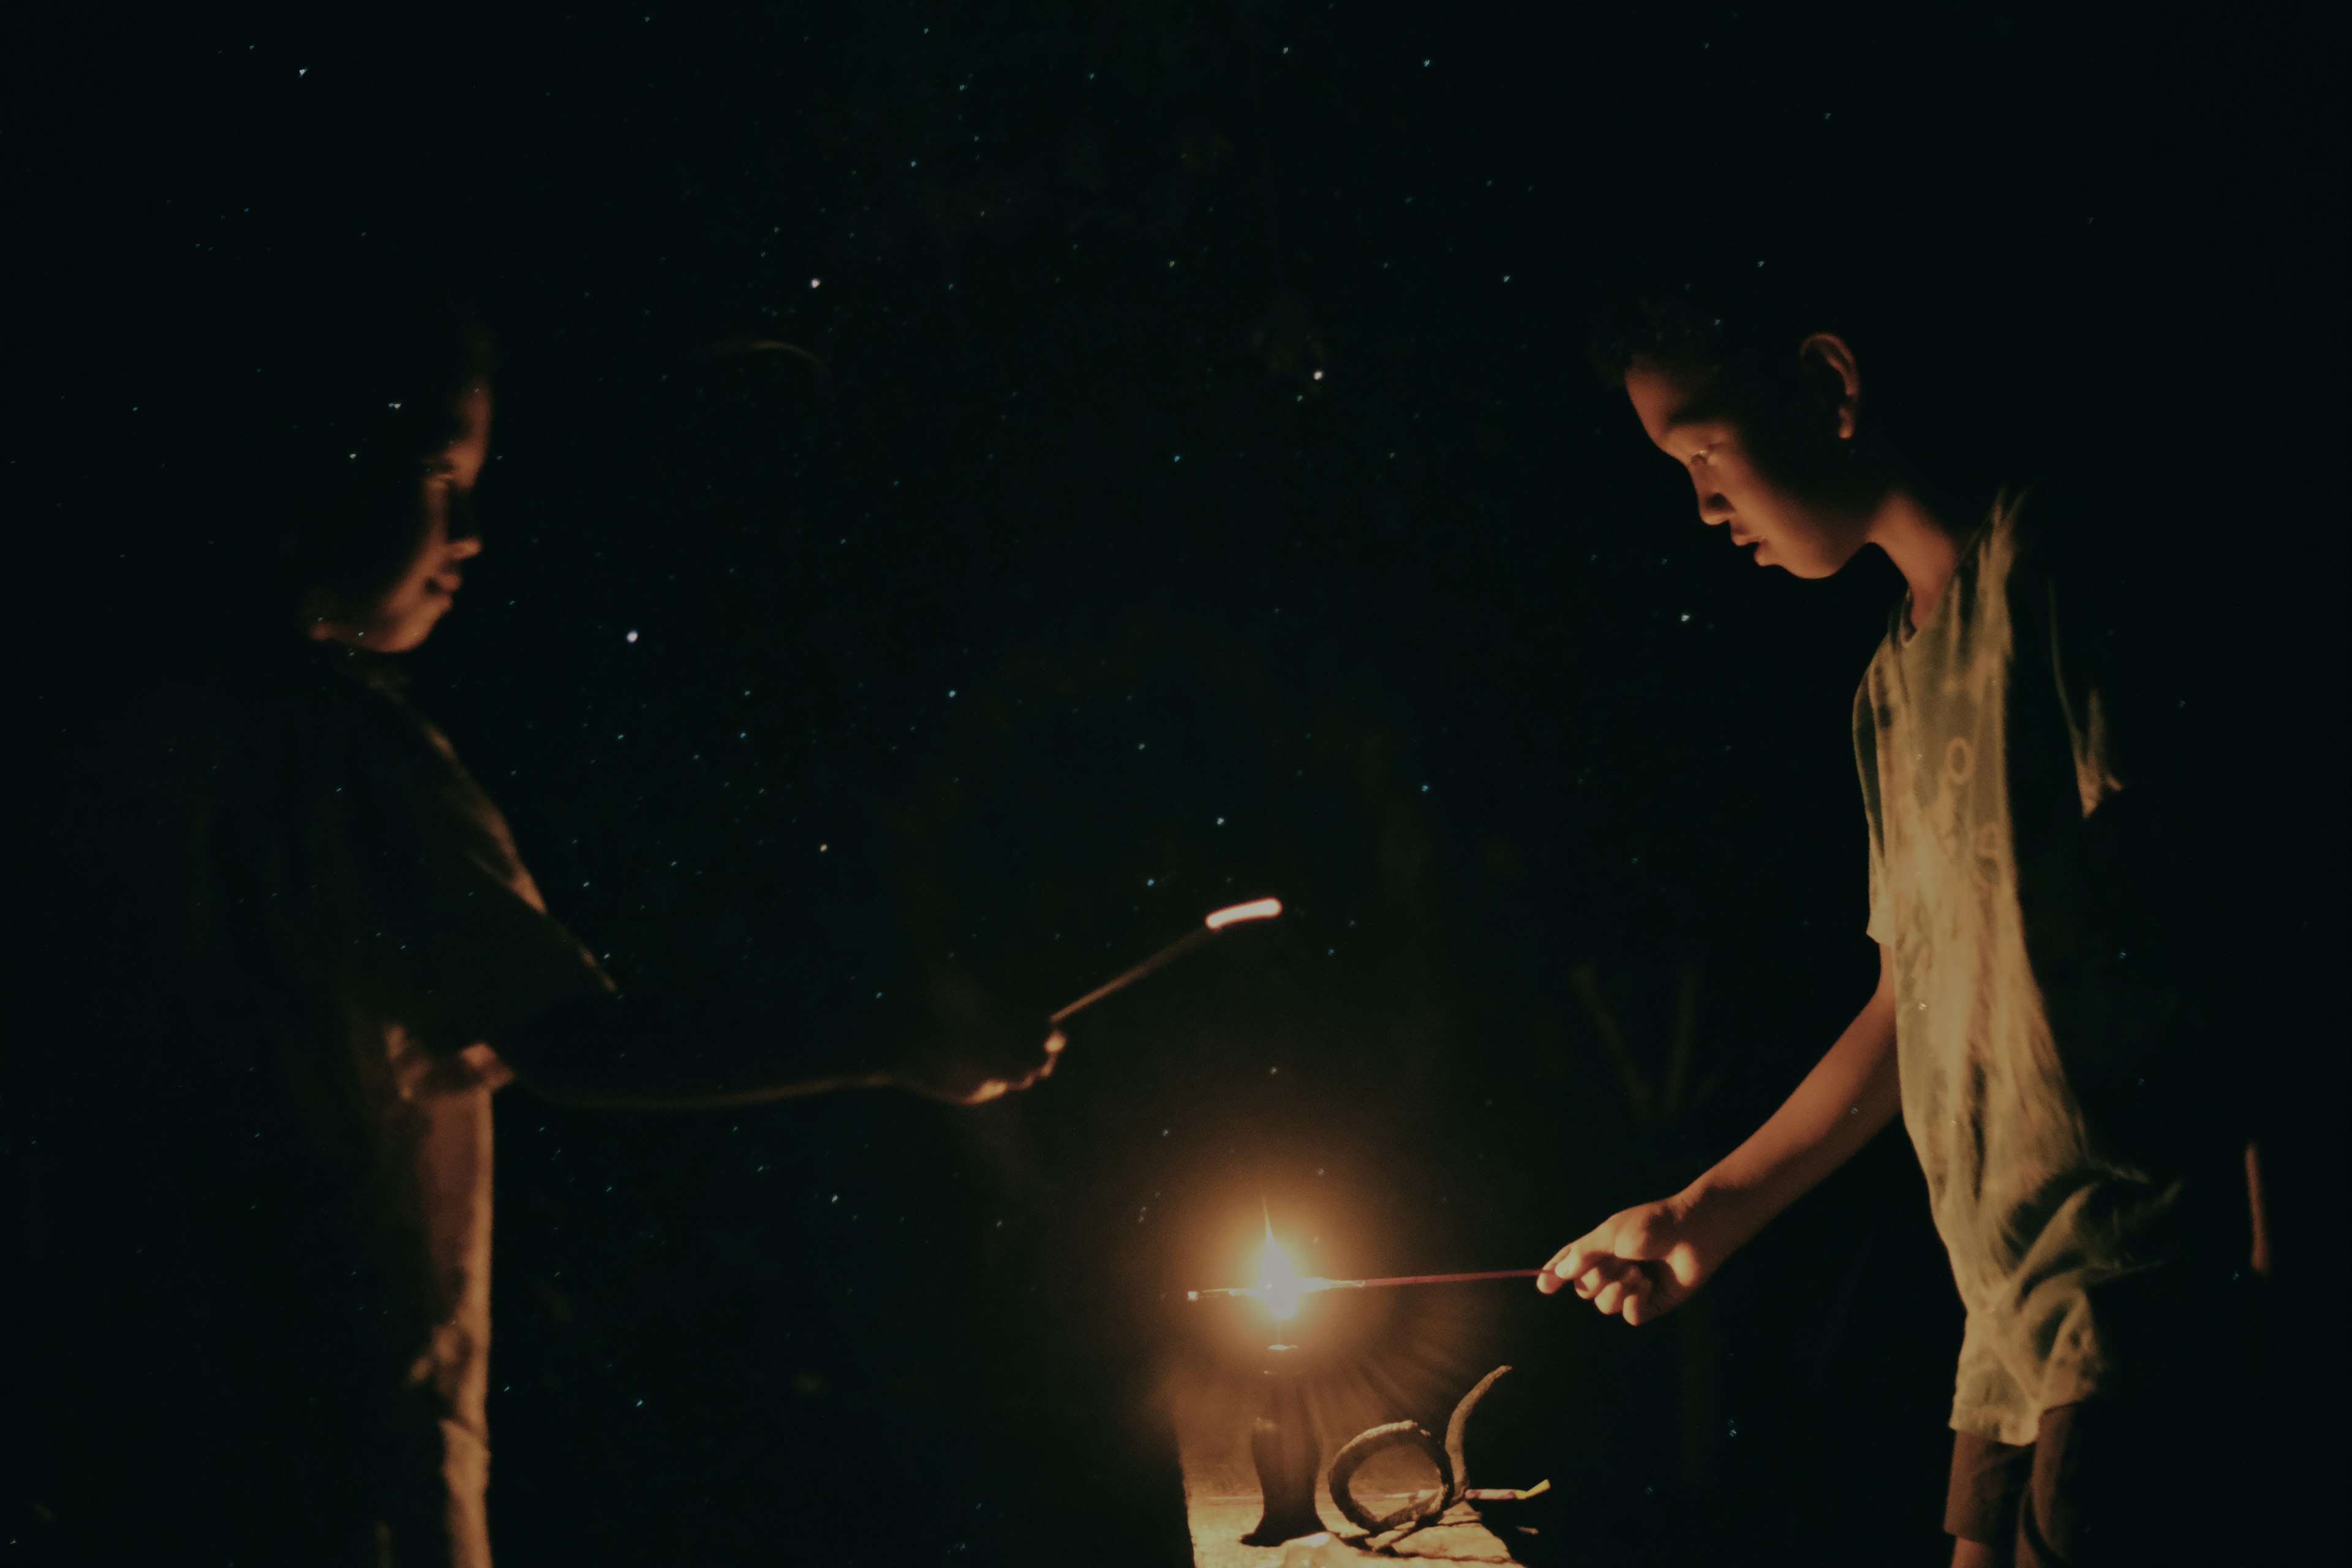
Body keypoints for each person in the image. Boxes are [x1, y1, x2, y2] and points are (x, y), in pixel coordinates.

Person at [2, 277, 1061, 1567]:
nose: (475, 532)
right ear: (313, 469)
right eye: (441, 475)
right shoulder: (346, 757)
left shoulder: (105, 750)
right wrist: (893, 1039)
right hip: (347, 1451)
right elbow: (567, 1038)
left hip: (127, 1446)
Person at [1537, 273, 2269, 1565]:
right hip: (2005, 1330)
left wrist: (2281, 1262)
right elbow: (1907, 1010)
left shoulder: (2051, 571)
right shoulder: (1888, 689)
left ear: (1831, 385)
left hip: (2147, 1296)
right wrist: (1697, 1215)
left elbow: (2231, 904)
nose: (1703, 501)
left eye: (1705, 447)